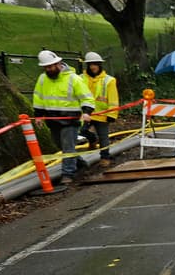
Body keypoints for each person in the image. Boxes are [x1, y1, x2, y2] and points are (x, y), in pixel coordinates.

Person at [32, 50, 93, 185]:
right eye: (46, 67)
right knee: (61, 145)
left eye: (50, 67)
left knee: (67, 147)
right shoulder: (42, 79)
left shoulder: (73, 78)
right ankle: (80, 163)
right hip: (52, 120)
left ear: (58, 64)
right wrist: (38, 115)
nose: (48, 69)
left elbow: (86, 97)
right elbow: (38, 98)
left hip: (70, 120)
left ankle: (68, 174)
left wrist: (87, 112)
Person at [80, 51, 118, 169]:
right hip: (85, 113)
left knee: (103, 137)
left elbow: (113, 98)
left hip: (102, 114)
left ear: (99, 65)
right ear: (87, 65)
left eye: (95, 64)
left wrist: (112, 114)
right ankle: (92, 139)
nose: (93, 67)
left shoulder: (109, 80)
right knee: (81, 131)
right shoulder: (80, 78)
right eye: (91, 64)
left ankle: (105, 157)